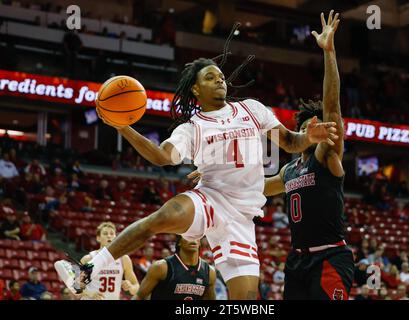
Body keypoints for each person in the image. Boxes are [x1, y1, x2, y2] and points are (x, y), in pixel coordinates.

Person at [55, 21, 338, 299]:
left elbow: (290, 141)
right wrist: (122, 127)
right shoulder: (191, 128)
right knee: (164, 216)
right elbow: (162, 157)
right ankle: (88, 270)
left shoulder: (252, 109)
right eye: (210, 78)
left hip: (242, 216)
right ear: (195, 90)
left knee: (247, 300)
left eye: (221, 77)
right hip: (211, 199)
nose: (219, 80)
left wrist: (309, 138)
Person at [262, 11, 354, 300]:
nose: (312, 132)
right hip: (297, 261)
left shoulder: (326, 155)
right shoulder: (288, 171)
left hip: (330, 257)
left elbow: (332, 107)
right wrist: (216, 175)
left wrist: (329, 52)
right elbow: (256, 187)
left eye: (317, 126)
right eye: (306, 128)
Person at [133, 236, 216, 300]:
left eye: (195, 236)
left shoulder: (209, 271)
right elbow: (139, 296)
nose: (193, 239)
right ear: (179, 242)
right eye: (188, 236)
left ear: (199, 242)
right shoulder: (161, 267)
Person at [71, 222, 139, 299]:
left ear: (116, 237)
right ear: (98, 238)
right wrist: (90, 294)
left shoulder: (123, 259)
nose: (109, 236)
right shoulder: (89, 258)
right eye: (105, 233)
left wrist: (130, 287)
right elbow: (74, 286)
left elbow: (136, 288)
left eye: (112, 233)